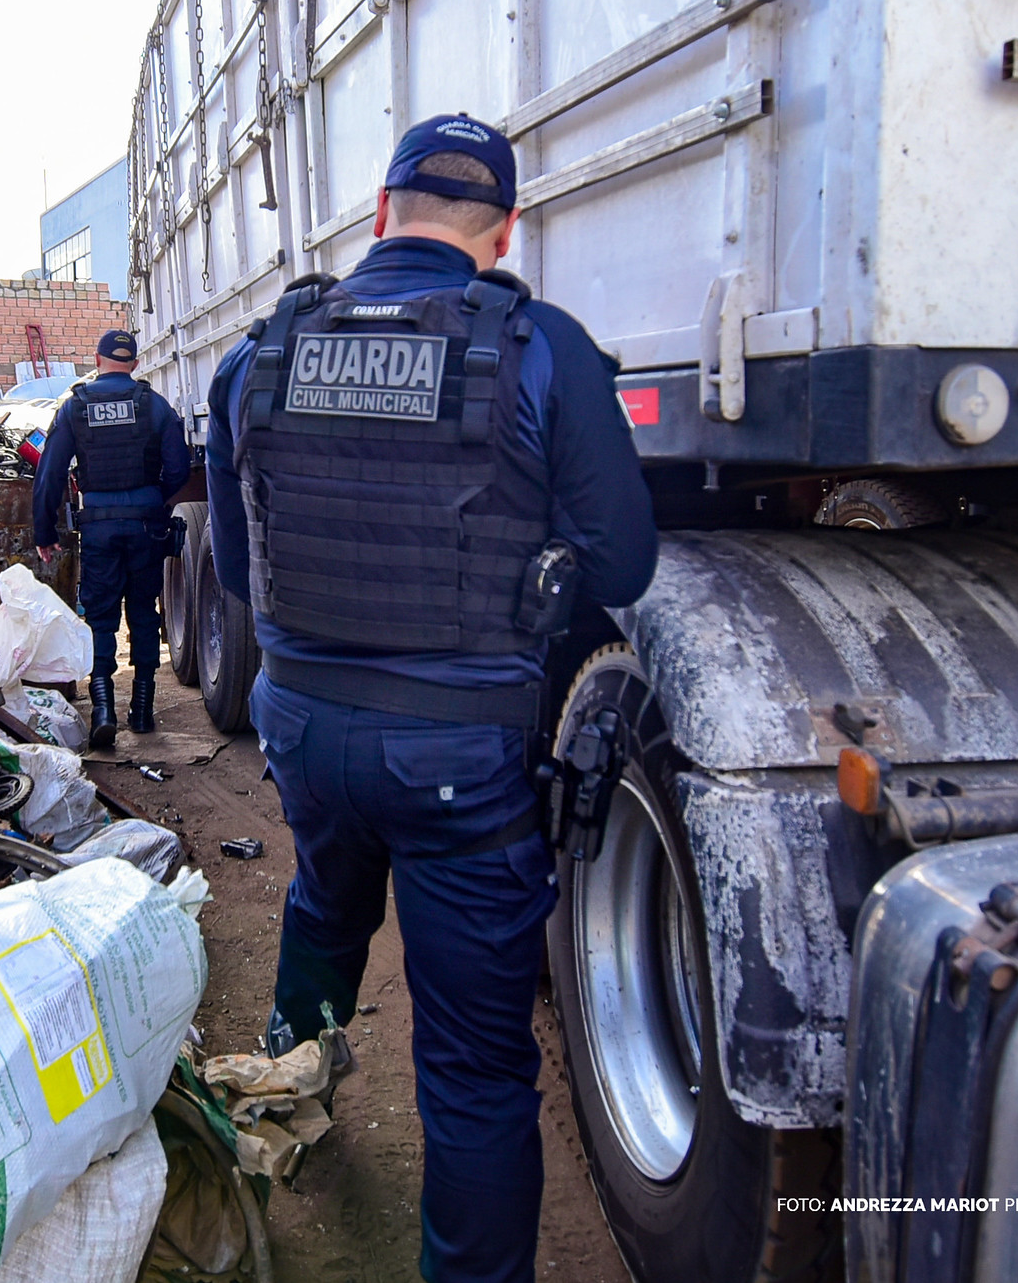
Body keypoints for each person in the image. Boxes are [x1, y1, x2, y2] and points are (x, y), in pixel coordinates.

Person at [204, 113, 658, 1283]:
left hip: (302, 725)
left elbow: (241, 566)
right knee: (470, 1069)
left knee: (325, 893)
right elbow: (618, 567)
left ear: (378, 213)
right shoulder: (539, 345)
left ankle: (277, 1102)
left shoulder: (256, 354)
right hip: (456, 756)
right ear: (500, 234)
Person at [33, 329, 190, 747]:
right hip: (145, 525)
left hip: (98, 526)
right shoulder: (153, 405)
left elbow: (49, 474)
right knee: (142, 610)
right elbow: (179, 468)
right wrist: (154, 501)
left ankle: (103, 708)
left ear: (98, 360)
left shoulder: (75, 408)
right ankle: (142, 711)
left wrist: (44, 531)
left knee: (101, 615)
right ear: (135, 364)